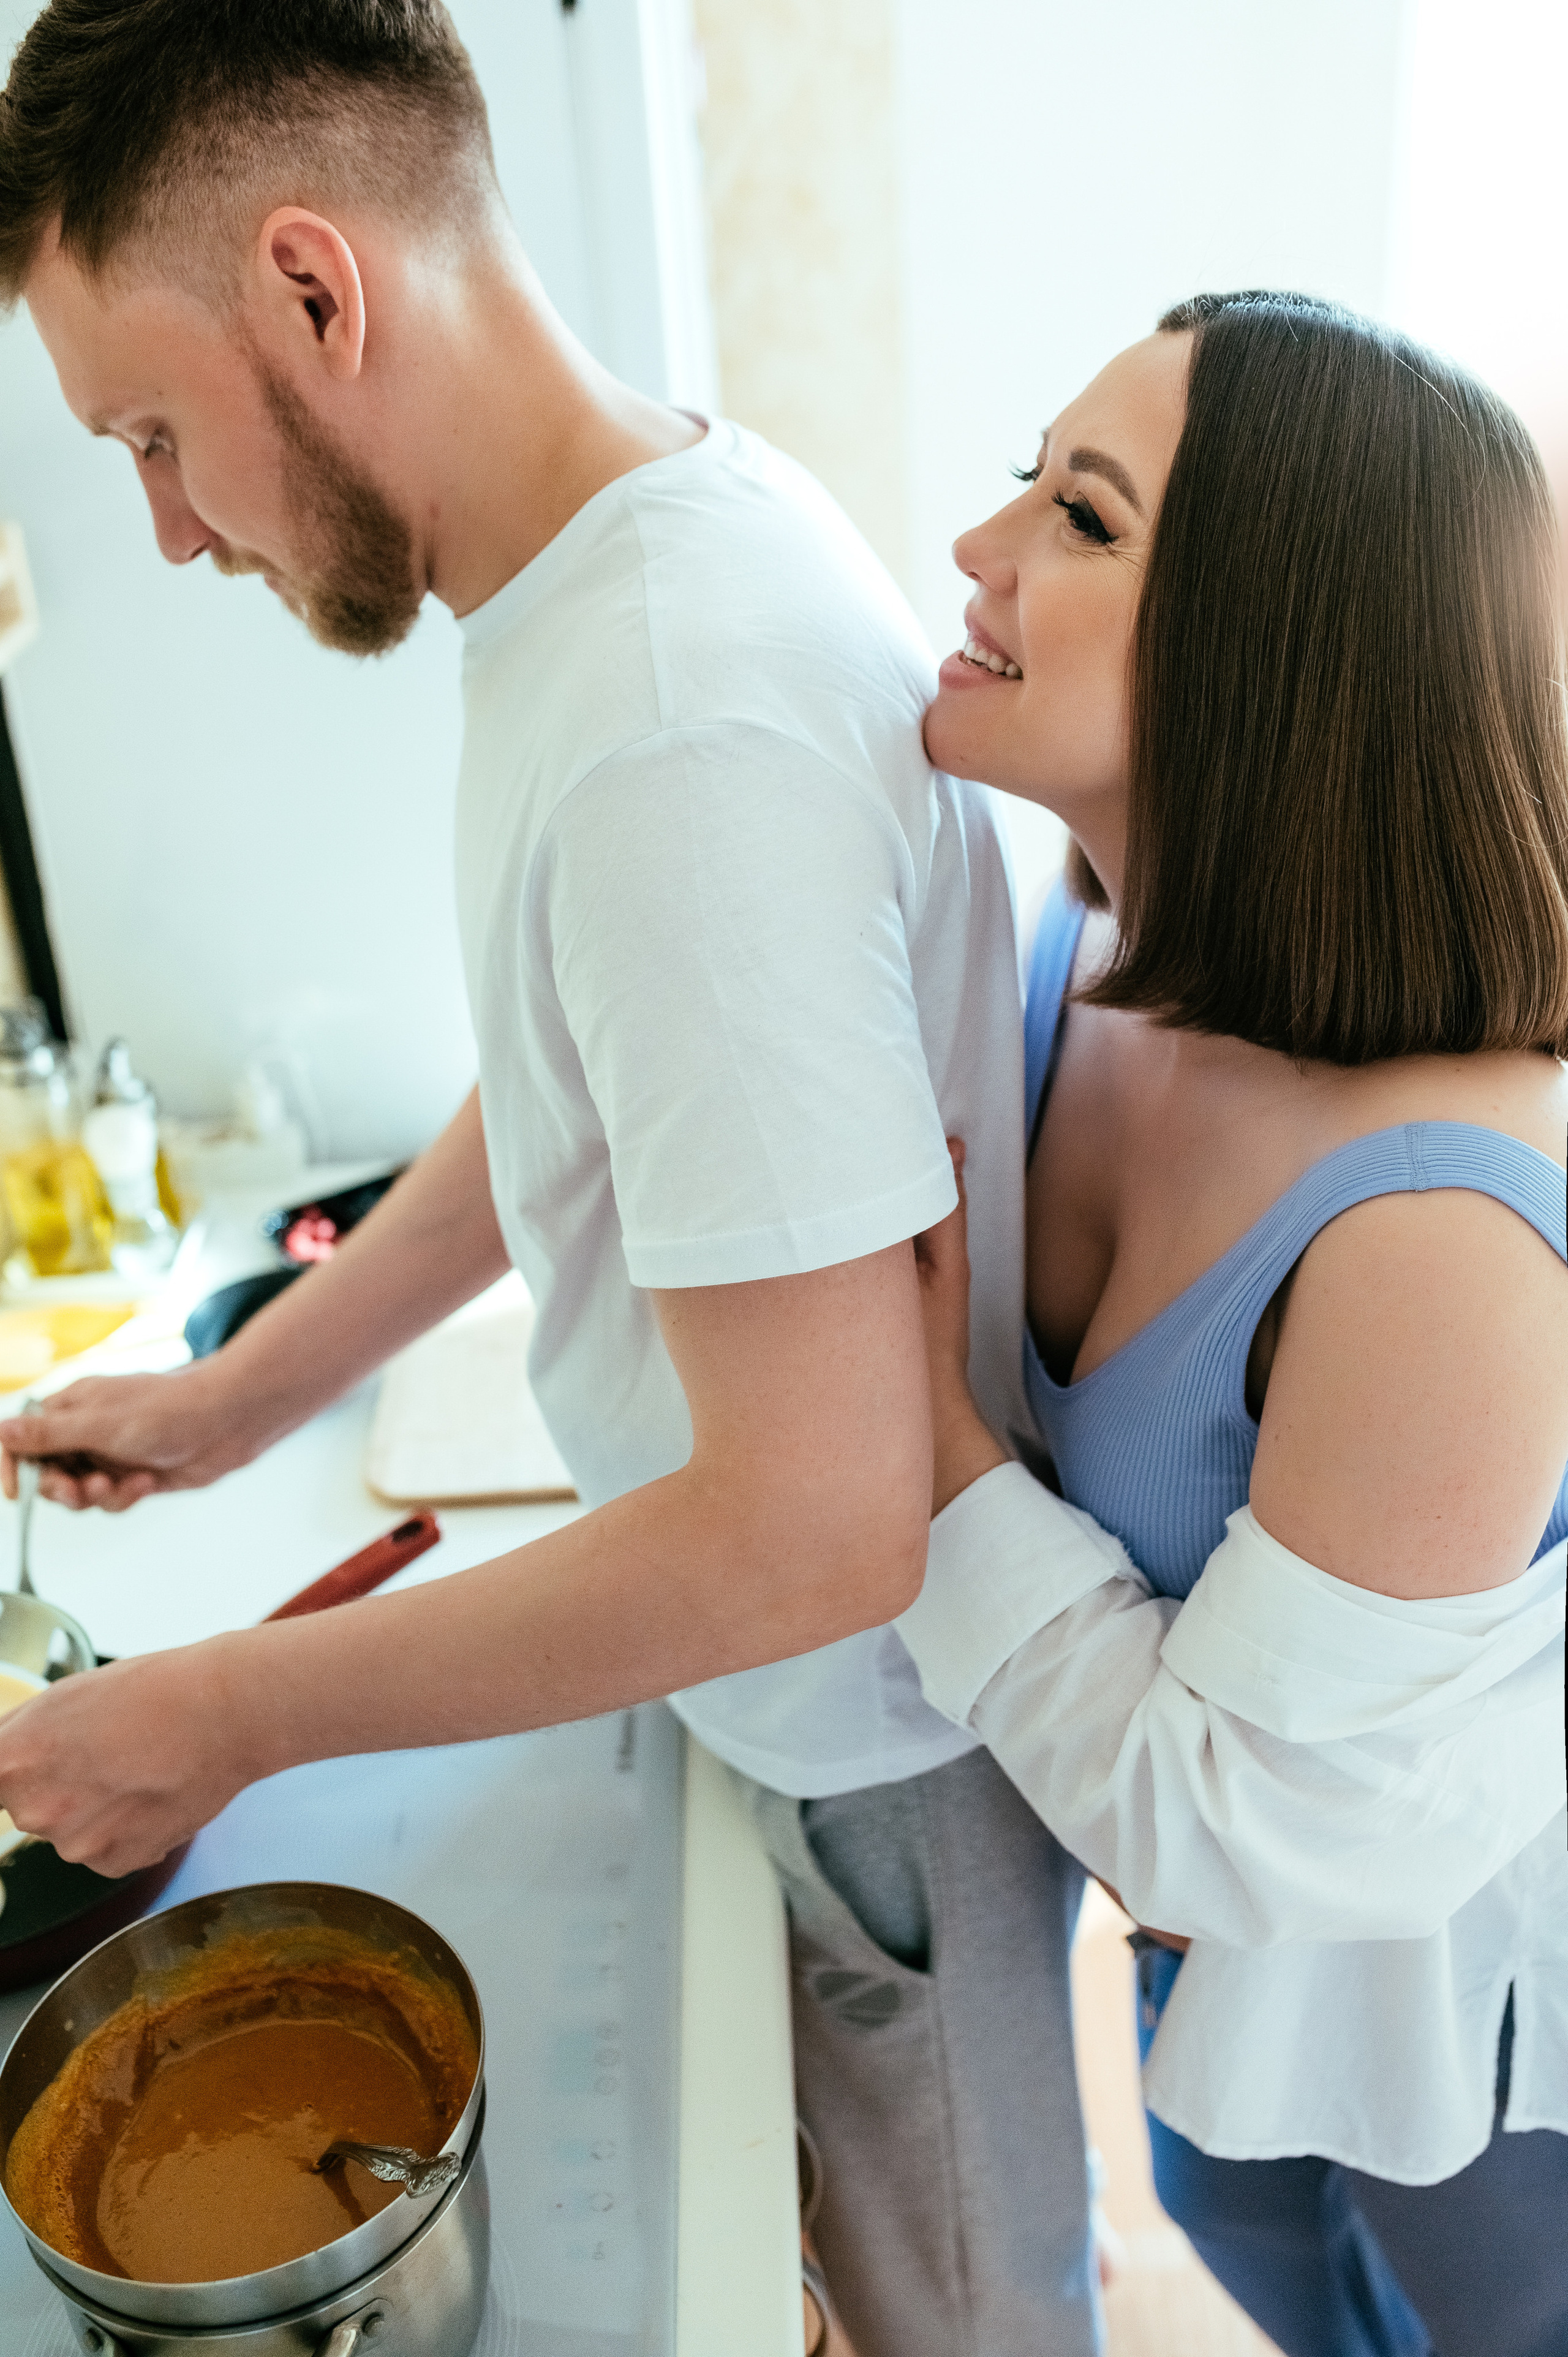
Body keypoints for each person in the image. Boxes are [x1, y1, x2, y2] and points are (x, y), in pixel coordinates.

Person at [0, 6, 1101, 2350]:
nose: (170, 528)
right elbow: (581, 1092)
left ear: (317, 288)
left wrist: (228, 1711)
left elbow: (824, 1524)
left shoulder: (669, 719)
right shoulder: (622, 565)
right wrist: (237, 1399)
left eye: (156, 438)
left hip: (876, 1749)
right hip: (788, 1700)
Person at [897, 292, 1568, 2357]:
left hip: (1460, 1998)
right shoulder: (1076, 947)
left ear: (1278, 649)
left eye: (1081, 519)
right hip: (1196, 1940)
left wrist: (906, 1426)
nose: (978, 549)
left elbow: (1233, 1823)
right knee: (1243, 2222)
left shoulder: (1439, 1231)